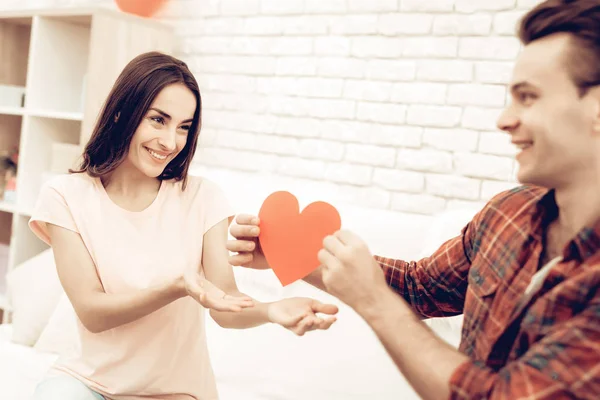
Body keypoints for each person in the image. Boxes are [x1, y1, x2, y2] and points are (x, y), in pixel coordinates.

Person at [226, 1, 600, 399]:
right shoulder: (508, 212)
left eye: (528, 97)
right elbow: (421, 287)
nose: (504, 120)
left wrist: (374, 303)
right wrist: (292, 253)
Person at [29, 51, 338, 400]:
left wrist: (271, 310)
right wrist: (177, 286)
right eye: (158, 120)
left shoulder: (203, 198)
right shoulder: (65, 196)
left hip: (174, 392)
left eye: (184, 127)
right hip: (86, 383)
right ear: (121, 113)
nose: (171, 142)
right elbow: (93, 312)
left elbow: (225, 302)